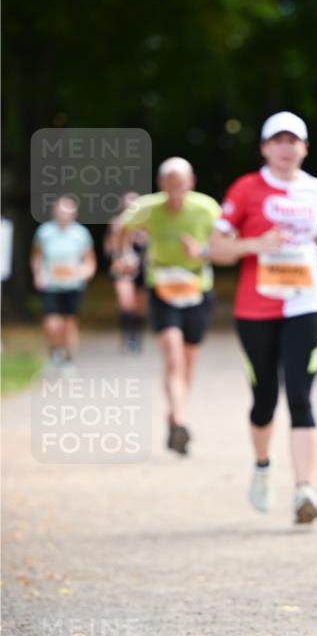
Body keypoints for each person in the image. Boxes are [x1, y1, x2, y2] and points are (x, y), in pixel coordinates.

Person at [209, 111, 317, 523]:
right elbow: (216, 249)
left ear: (304, 148)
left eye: (292, 140)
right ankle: (263, 466)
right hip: (255, 309)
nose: (284, 148)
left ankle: (304, 490)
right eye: (276, 140)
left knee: (300, 396)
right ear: (264, 147)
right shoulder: (245, 189)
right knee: (265, 398)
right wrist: (255, 244)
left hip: (306, 306)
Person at [119, 158, 219, 456]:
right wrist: (124, 253)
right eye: (170, 185)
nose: (175, 191)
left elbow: (227, 243)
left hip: (197, 288)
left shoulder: (207, 209)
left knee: (189, 359)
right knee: (173, 355)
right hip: (161, 285)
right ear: (161, 185)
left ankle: (174, 413)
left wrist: (201, 251)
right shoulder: (146, 208)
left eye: (181, 184)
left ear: (192, 182)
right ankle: (180, 420)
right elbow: (120, 230)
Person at [31, 196, 96, 373]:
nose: (63, 214)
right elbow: (37, 256)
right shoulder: (44, 232)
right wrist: (38, 274)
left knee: (69, 324)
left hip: (73, 285)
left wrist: (84, 273)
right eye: (60, 210)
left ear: (74, 213)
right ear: (54, 211)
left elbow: (89, 261)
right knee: (52, 324)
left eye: (67, 210)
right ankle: (54, 353)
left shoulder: (81, 234)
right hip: (50, 284)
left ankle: (68, 359)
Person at [104, 192, 148, 352]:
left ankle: (137, 338)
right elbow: (109, 248)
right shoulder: (116, 223)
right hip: (123, 268)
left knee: (140, 306)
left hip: (142, 268)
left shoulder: (146, 223)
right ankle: (126, 337)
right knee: (126, 303)